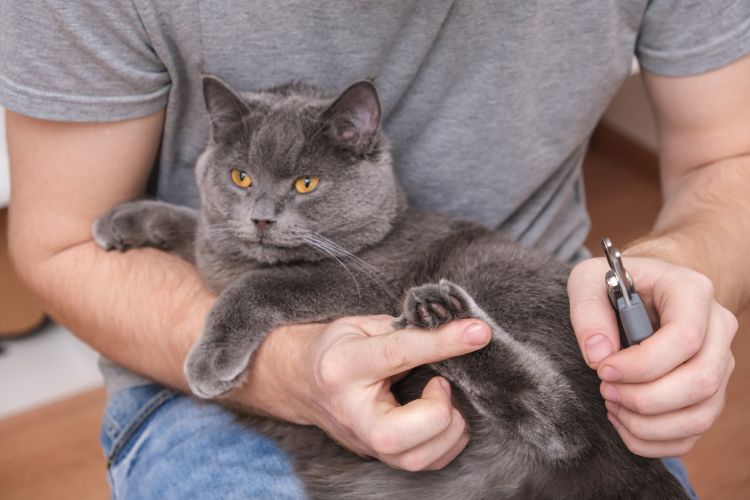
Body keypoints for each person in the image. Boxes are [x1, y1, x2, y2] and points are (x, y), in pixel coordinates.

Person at [2, 1, 748, 498]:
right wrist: (277, 362)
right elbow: (62, 241)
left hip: (540, 334)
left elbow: (730, 161)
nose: (260, 215)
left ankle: (536, 408)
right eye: (237, 182)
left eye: (291, 192)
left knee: (553, 432)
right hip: (191, 370)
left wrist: (681, 273)